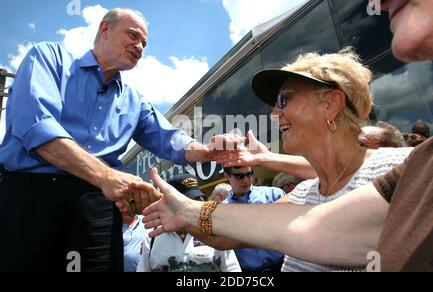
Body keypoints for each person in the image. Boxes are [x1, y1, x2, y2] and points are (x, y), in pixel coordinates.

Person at [140, 0, 433, 272]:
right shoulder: (305, 194)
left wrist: (189, 210)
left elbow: (311, 228)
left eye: (285, 99)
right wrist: (182, 213)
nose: (275, 114)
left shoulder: (406, 169)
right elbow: (226, 234)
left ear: (331, 104)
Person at [0, 8, 238, 272]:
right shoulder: (49, 58)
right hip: (31, 200)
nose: (139, 47)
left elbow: (169, 138)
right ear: (104, 29)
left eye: (144, 44)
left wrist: (205, 151)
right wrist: (107, 177)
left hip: (96, 208)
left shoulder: (134, 101)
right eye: (133, 35)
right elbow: (36, 127)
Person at [136, 174, 241, 272]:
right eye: (190, 200)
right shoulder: (152, 239)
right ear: (170, 203)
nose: (198, 203)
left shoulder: (216, 232)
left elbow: (232, 269)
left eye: (200, 198)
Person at [222, 166, 285, 272]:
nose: (246, 180)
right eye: (239, 176)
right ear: (227, 176)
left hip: (284, 266)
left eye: (249, 174)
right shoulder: (222, 211)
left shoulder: (274, 195)